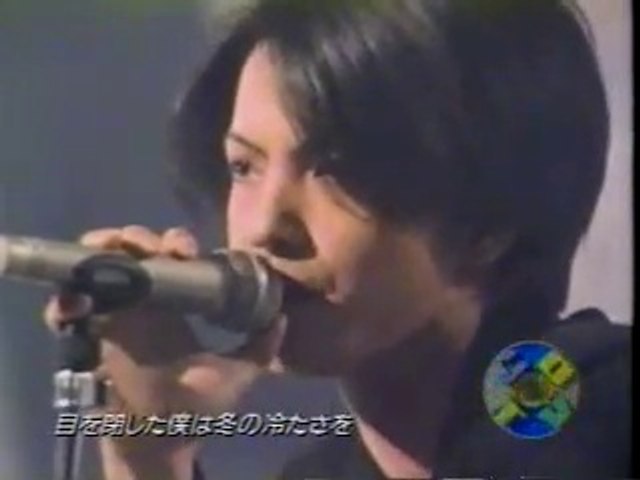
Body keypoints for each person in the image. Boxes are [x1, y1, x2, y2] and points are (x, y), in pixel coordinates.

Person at [44, 0, 631, 478]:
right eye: (244, 167)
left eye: (336, 167)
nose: (262, 227)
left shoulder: (598, 400)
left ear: (489, 223)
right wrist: (149, 453)